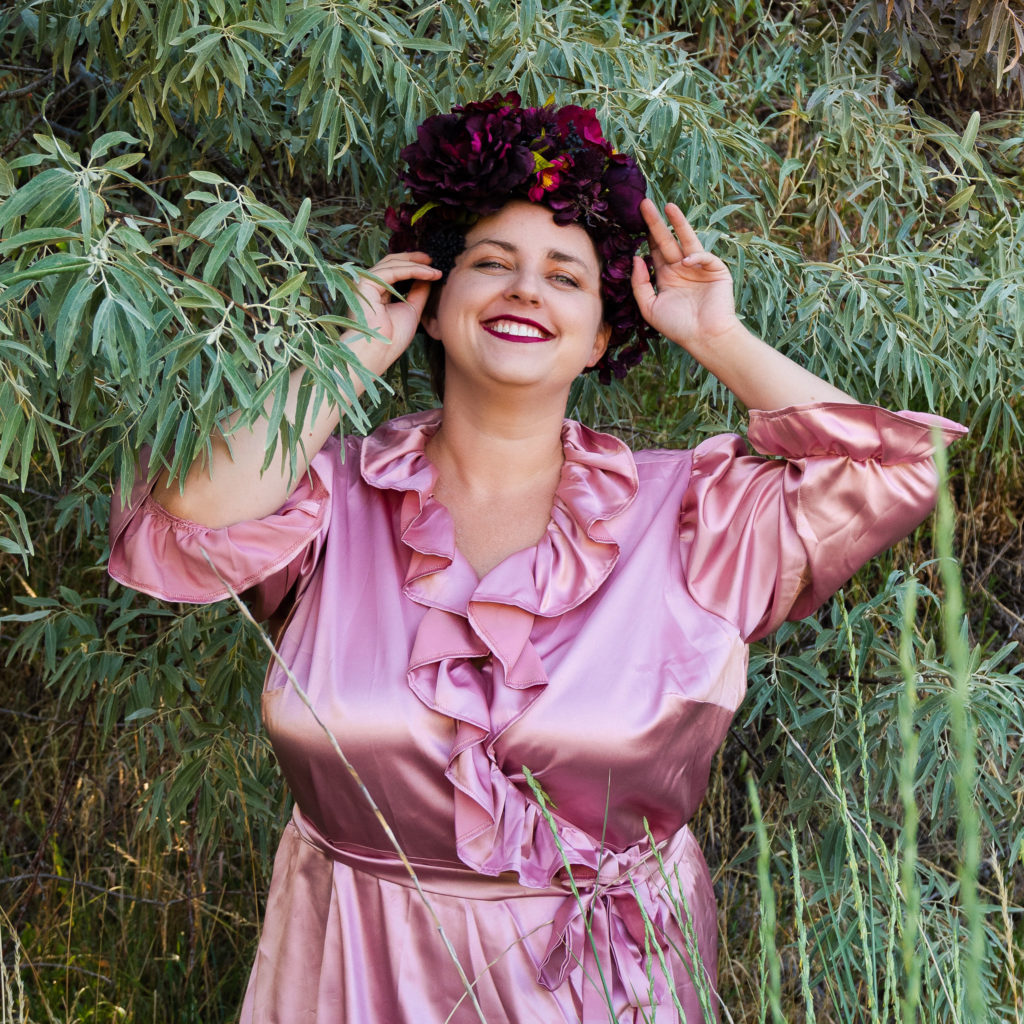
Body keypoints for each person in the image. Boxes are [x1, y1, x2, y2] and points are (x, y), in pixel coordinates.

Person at [109, 94, 966, 1023]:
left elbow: (896, 468)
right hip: (352, 971)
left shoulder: (695, 515)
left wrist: (717, 336)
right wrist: (345, 357)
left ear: (602, 335)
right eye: (491, 264)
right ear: (433, 310)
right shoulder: (328, 501)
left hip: (610, 986)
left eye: (566, 276)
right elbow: (187, 519)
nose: (524, 290)